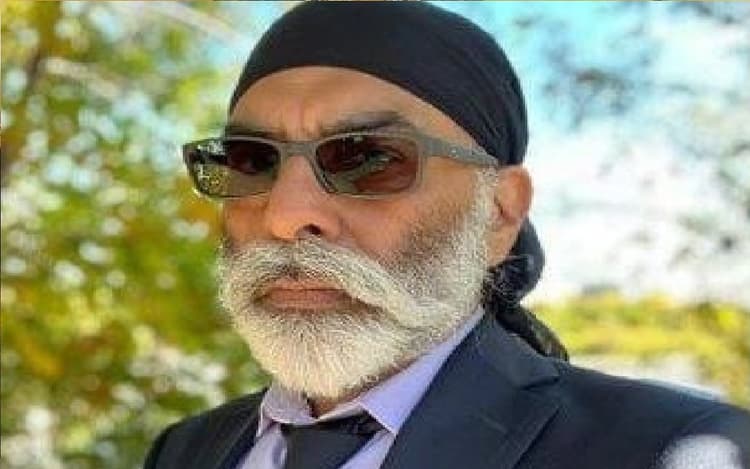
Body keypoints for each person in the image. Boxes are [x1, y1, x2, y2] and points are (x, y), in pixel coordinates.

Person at [144, 3, 750, 468]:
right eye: (252, 161)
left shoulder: (672, 449)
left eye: (369, 159)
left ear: (499, 214)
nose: (286, 215)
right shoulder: (188, 450)